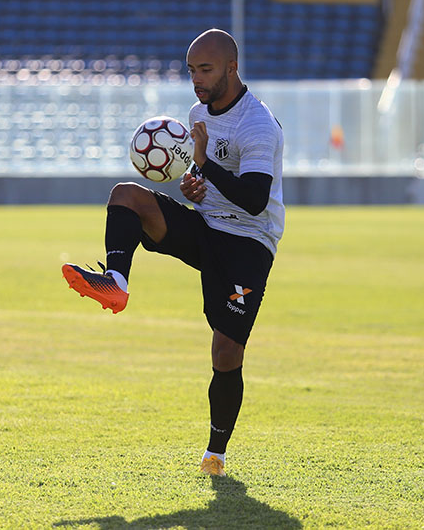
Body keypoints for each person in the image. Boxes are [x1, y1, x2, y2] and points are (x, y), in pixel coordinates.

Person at [62, 29, 285, 477]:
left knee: (225, 354)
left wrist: (204, 165)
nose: (196, 80)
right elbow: (206, 185)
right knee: (127, 195)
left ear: (231, 68)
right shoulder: (197, 113)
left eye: (205, 70)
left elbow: (256, 198)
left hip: (249, 244)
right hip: (207, 227)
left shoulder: (257, 124)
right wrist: (194, 187)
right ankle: (116, 282)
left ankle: (215, 455)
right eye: (191, 71)